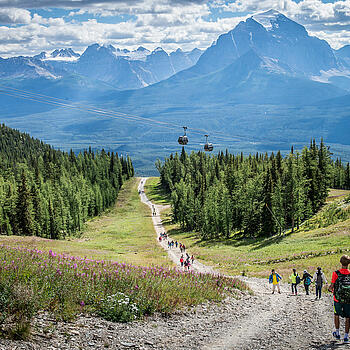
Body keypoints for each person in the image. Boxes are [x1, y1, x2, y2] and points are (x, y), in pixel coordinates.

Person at [328, 255, 350, 343]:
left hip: (337, 299)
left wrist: (330, 289)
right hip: (348, 299)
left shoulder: (336, 273)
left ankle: (337, 333)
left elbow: (331, 286)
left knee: (336, 314)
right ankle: (346, 337)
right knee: (348, 318)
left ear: (341, 262)